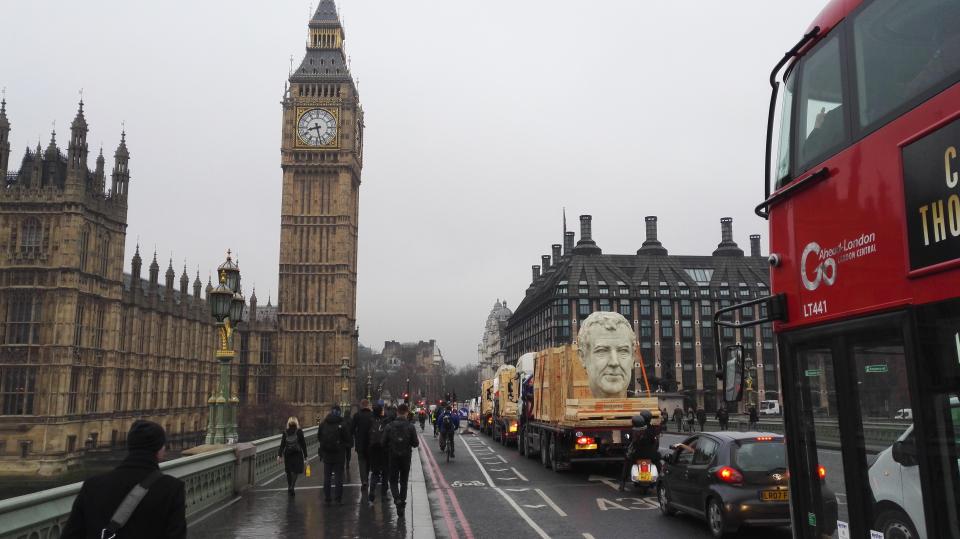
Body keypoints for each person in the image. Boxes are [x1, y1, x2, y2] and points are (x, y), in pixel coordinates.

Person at [62, 420, 186, 539]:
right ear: (159, 450)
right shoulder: (172, 489)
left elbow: (71, 535)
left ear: (130, 446)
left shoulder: (92, 485)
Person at [384, 403, 419, 518]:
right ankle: (402, 503)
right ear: (406, 413)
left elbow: (382, 442)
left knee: (393, 480)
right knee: (404, 481)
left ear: (397, 412)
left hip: (392, 457)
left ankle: (397, 499)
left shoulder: (389, 426)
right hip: (405, 457)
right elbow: (415, 443)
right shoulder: (410, 426)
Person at [619, 411, 660, 492]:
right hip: (650, 455)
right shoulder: (651, 429)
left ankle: (622, 483)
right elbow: (654, 442)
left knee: (627, 462)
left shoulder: (633, 431)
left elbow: (630, 440)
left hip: (636, 455)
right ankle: (661, 480)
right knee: (658, 462)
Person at [319, 404, 352, 505]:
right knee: (338, 477)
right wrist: (344, 445)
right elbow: (347, 438)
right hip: (339, 454)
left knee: (327, 477)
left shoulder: (323, 423)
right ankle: (338, 499)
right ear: (339, 412)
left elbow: (319, 437)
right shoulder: (342, 423)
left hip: (327, 455)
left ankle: (327, 498)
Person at [277, 416, 308, 495]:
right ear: (296, 422)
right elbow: (303, 444)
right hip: (297, 454)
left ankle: (289, 487)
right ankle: (292, 486)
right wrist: (305, 456)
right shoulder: (299, 431)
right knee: (296, 471)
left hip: (288, 454)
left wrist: (279, 455)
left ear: (288, 423)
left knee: (289, 471)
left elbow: (282, 445)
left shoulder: (285, 432)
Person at [351, 399, 374, 491]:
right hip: (371, 443)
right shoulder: (372, 415)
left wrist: (356, 435)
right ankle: (367, 478)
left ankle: (364, 481)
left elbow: (352, 429)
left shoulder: (357, 416)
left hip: (360, 443)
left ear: (361, 405)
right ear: (368, 405)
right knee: (369, 462)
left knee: (362, 462)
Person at [367, 403, 386, 503]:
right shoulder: (384, 421)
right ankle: (383, 494)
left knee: (375, 472)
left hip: (373, 449)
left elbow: (366, 436)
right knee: (384, 473)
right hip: (383, 450)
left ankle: (372, 490)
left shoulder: (370, 421)